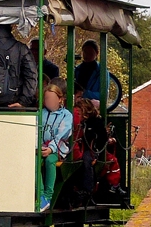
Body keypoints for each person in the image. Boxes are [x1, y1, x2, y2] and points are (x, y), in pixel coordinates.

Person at [38, 83, 73, 213]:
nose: (50, 102)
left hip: (56, 149)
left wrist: (51, 148)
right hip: (40, 148)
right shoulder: (41, 113)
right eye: (47, 99)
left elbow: (62, 133)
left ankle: (48, 195)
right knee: (34, 161)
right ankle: (41, 195)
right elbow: (36, 130)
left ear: (60, 99)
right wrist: (38, 147)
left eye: (52, 99)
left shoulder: (66, 115)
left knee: (49, 161)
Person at [72, 97, 108, 202]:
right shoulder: (77, 123)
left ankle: (87, 189)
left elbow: (102, 138)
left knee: (86, 159)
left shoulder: (96, 122)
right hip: (77, 146)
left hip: (90, 149)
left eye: (79, 112)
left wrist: (95, 147)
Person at [73, 39, 103, 104]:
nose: (87, 55)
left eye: (90, 53)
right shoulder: (77, 70)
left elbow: (102, 95)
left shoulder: (101, 71)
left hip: (92, 105)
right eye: (85, 52)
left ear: (97, 53)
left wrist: (84, 93)